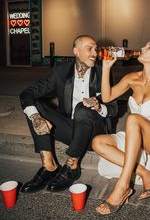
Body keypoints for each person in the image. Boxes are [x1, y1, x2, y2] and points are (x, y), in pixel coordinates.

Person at [92, 39, 150, 215]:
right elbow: (107, 97)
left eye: (149, 47)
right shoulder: (131, 78)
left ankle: (123, 186)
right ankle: (146, 174)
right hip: (135, 133)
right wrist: (106, 68)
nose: (141, 48)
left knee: (133, 119)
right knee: (98, 142)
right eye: (143, 45)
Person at [20, 35, 118, 193]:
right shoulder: (61, 70)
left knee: (82, 108)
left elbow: (113, 109)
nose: (95, 52)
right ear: (76, 51)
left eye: (96, 49)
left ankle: (72, 165)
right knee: (34, 106)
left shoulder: (102, 72)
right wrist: (35, 117)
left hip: (94, 132)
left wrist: (99, 107)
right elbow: (27, 93)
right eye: (89, 48)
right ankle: (49, 165)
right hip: (71, 128)